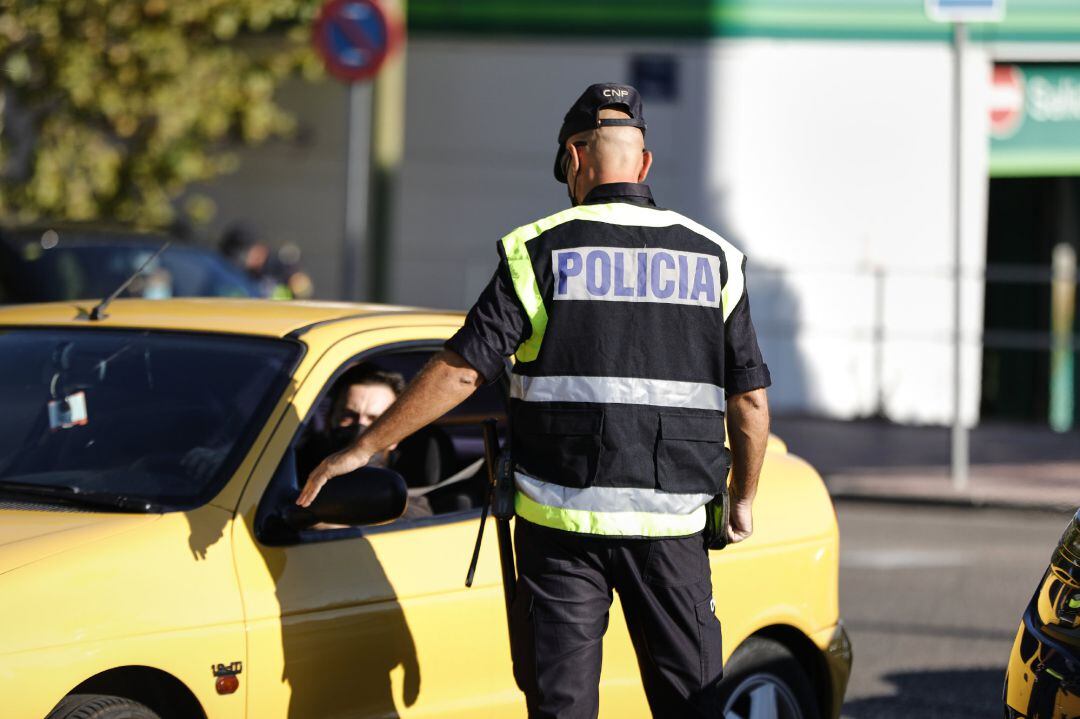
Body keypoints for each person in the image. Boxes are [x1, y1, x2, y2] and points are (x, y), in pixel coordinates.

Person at [297, 83, 771, 718]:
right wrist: (742, 498)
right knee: (693, 705)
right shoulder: (715, 257)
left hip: (560, 531)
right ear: (645, 163)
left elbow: (463, 372)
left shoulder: (538, 251)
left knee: (561, 708)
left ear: (572, 160)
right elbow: (749, 404)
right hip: (673, 531)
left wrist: (363, 449)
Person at [297, 364, 433, 521]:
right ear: (329, 421)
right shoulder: (291, 474)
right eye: (348, 416)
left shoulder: (408, 506)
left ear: (395, 438)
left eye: (374, 421)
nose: (360, 427)